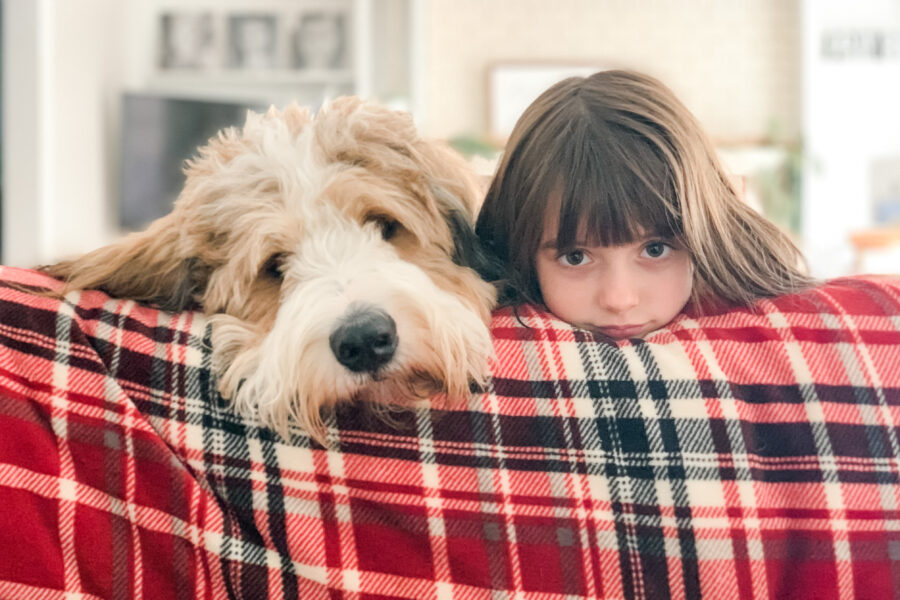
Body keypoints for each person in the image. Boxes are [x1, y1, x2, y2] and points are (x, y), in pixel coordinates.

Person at [475, 69, 813, 341]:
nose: (619, 299)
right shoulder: (501, 336)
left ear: (704, 234)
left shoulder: (767, 326)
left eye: (655, 249)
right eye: (575, 256)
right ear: (522, 252)